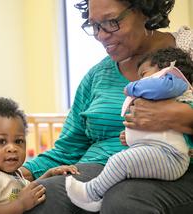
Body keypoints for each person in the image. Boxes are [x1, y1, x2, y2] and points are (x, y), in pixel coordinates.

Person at [21, 0, 193, 213]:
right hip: (95, 169)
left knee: (124, 199)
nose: (101, 35)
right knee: (42, 196)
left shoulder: (188, 52)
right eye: (94, 25)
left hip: (170, 167)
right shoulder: (96, 76)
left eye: (111, 22)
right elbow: (67, 149)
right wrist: (15, 174)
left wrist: (181, 116)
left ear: (144, 11)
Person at [65, 47, 193, 212]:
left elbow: (161, 87)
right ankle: (95, 198)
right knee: (121, 162)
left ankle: (92, 192)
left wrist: (132, 88)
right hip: (162, 153)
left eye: (143, 74)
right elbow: (157, 133)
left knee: (119, 162)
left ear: (167, 68)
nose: (139, 80)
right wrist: (131, 136)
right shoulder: (164, 96)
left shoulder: (176, 85)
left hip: (171, 157)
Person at [0, 97, 77, 214]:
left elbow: (29, 191)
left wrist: (49, 175)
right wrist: (20, 204)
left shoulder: (16, 175)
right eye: (2, 141)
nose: (12, 148)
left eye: (18, 141)